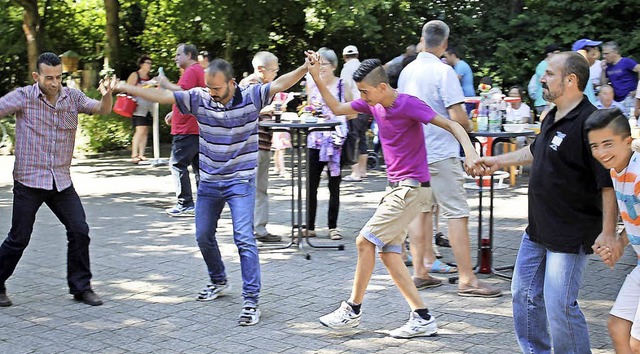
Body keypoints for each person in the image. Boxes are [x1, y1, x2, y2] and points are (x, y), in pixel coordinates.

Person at [117, 54, 311, 326]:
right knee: (203, 236)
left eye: (217, 88)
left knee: (244, 237)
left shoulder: (252, 95)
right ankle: (218, 279)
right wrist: (123, 87)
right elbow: (164, 97)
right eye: (209, 88)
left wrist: (304, 67)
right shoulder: (200, 97)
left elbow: (279, 83)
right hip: (209, 181)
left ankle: (251, 301)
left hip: (240, 181)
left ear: (231, 83)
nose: (212, 94)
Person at [309, 56, 484, 338]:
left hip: (411, 188)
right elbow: (337, 107)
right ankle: (423, 318)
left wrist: (471, 153)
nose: (362, 97)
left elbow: (453, 125)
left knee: (364, 241)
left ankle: (352, 310)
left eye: (365, 91)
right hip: (396, 188)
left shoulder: (408, 104)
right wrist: (316, 76)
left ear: (381, 86)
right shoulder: (372, 103)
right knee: (388, 253)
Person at [477, 51, 617, 353]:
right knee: (522, 295)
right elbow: (536, 150)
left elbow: (608, 185)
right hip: (537, 228)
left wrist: (608, 232)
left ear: (571, 80)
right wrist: (496, 161)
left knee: (559, 307)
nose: (542, 78)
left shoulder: (593, 122)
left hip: (570, 234)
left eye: (550, 74)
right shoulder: (553, 114)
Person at [0, 52, 117, 308]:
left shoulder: (72, 97)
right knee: (19, 238)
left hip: (60, 181)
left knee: (79, 231)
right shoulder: (24, 97)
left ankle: (81, 287)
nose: (54, 83)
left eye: (58, 77)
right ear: (36, 76)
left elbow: (102, 109)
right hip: (29, 181)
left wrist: (107, 93)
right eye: (49, 78)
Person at [398, 20, 501, 298]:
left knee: (420, 211)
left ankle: (420, 272)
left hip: (415, 153)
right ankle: (467, 279)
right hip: (441, 152)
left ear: (422, 40)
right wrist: (468, 131)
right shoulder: (444, 72)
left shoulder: (407, 72)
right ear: (444, 44)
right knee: (457, 213)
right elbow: (458, 117)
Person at [585, 108, 640, 354]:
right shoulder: (617, 171)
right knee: (618, 328)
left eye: (608, 144)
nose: (601, 153)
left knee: (637, 343)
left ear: (628, 141)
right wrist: (619, 241)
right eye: (595, 146)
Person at [305, 48, 350, 240]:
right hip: (314, 140)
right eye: (318, 64)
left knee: (334, 185)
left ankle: (333, 226)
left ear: (333, 66)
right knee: (311, 185)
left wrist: (336, 116)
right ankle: (310, 225)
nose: (321, 68)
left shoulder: (342, 85)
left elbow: (353, 111)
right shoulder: (312, 84)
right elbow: (308, 109)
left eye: (324, 64)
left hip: (334, 141)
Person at [238, 51, 282, 243]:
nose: (276, 73)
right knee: (255, 188)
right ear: (260, 69)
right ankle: (255, 229)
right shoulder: (251, 85)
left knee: (258, 187)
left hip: (259, 142)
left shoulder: (260, 85)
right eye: (274, 69)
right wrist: (268, 109)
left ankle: (256, 228)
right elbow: (244, 110)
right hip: (252, 143)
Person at [157, 44, 205, 217]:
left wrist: (165, 83)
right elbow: (192, 96)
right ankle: (204, 204)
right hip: (197, 128)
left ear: (189, 55)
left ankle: (185, 204)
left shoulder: (192, 71)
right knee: (199, 167)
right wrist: (174, 110)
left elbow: (184, 92)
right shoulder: (198, 70)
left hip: (187, 129)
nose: (175, 58)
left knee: (177, 164)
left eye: (178, 55)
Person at [340, 45, 370, 182]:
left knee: (353, 138)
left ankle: (355, 173)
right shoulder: (363, 67)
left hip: (354, 107)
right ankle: (363, 171)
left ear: (344, 57)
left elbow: (345, 90)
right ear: (357, 55)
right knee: (362, 137)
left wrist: (346, 110)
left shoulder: (346, 69)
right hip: (367, 105)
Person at [126, 54, 155, 164]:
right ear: (141, 64)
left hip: (149, 106)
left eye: (150, 63)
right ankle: (134, 154)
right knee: (140, 130)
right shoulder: (135, 75)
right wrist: (145, 86)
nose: (149, 65)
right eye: (147, 63)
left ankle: (142, 154)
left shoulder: (151, 77)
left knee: (145, 130)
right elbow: (129, 88)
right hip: (138, 106)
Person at [601, 41, 640, 116]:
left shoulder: (626, 62)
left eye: (606, 53)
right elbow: (604, 84)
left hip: (630, 98)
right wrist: (603, 70)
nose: (604, 56)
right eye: (603, 54)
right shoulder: (608, 66)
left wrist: (637, 90)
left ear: (615, 52)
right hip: (616, 101)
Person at [443, 47, 475, 114]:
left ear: (453, 56)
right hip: (465, 96)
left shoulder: (461, 65)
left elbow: (454, 80)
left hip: (467, 97)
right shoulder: (457, 66)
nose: (446, 60)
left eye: (446, 57)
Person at [532, 44, 561, 115]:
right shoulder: (544, 65)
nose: (558, 56)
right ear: (549, 54)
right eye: (556, 53)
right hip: (544, 102)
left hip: (547, 101)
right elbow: (548, 82)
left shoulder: (549, 65)